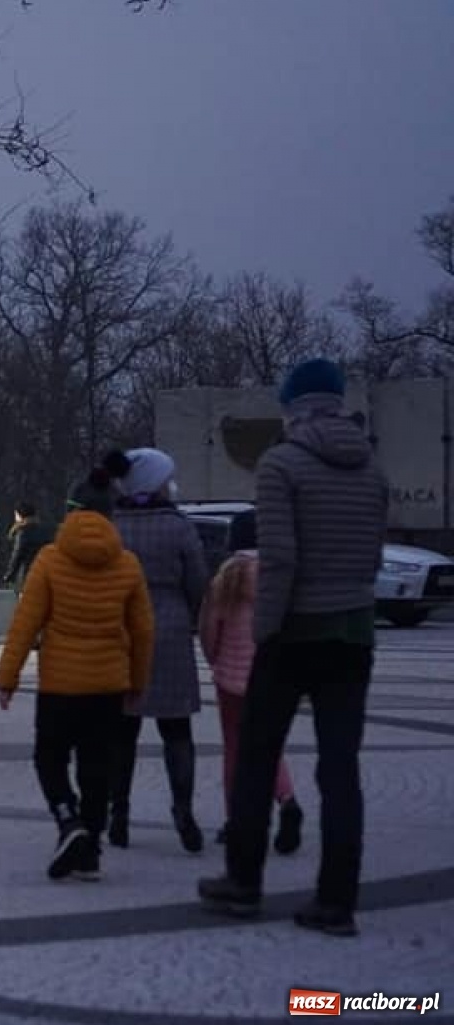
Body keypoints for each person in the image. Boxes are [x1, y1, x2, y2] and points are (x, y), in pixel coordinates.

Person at [200, 360, 388, 938]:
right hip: (353, 630)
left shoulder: (281, 464)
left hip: (295, 631)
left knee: (256, 757)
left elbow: (278, 557)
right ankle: (336, 901)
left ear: (292, 405)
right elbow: (374, 557)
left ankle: (244, 884)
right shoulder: (372, 470)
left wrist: (266, 631)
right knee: (340, 769)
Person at [0, 468, 154, 882]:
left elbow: (25, 624)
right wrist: (138, 683)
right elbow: (142, 631)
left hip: (60, 684)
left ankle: (68, 820)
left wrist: (7, 677)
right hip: (108, 684)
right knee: (97, 766)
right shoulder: (127, 565)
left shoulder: (49, 560)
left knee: (49, 757)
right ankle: (90, 851)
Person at [105, 447, 209, 853]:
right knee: (177, 731)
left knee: (122, 732)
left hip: (123, 632)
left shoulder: (113, 526)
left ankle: (119, 814)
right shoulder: (178, 527)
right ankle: (183, 812)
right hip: (169, 631)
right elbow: (198, 580)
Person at [198, 509, 303, 853]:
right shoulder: (281, 577)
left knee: (235, 749)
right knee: (270, 746)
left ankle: (236, 821)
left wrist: (215, 659)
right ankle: (287, 799)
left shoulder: (227, 578)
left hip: (231, 679)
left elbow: (211, 629)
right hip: (273, 675)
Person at [3, 501, 53, 593]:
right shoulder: (45, 531)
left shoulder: (23, 532)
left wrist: (9, 576)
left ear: (19, 515)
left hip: (26, 576)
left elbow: (17, 556)